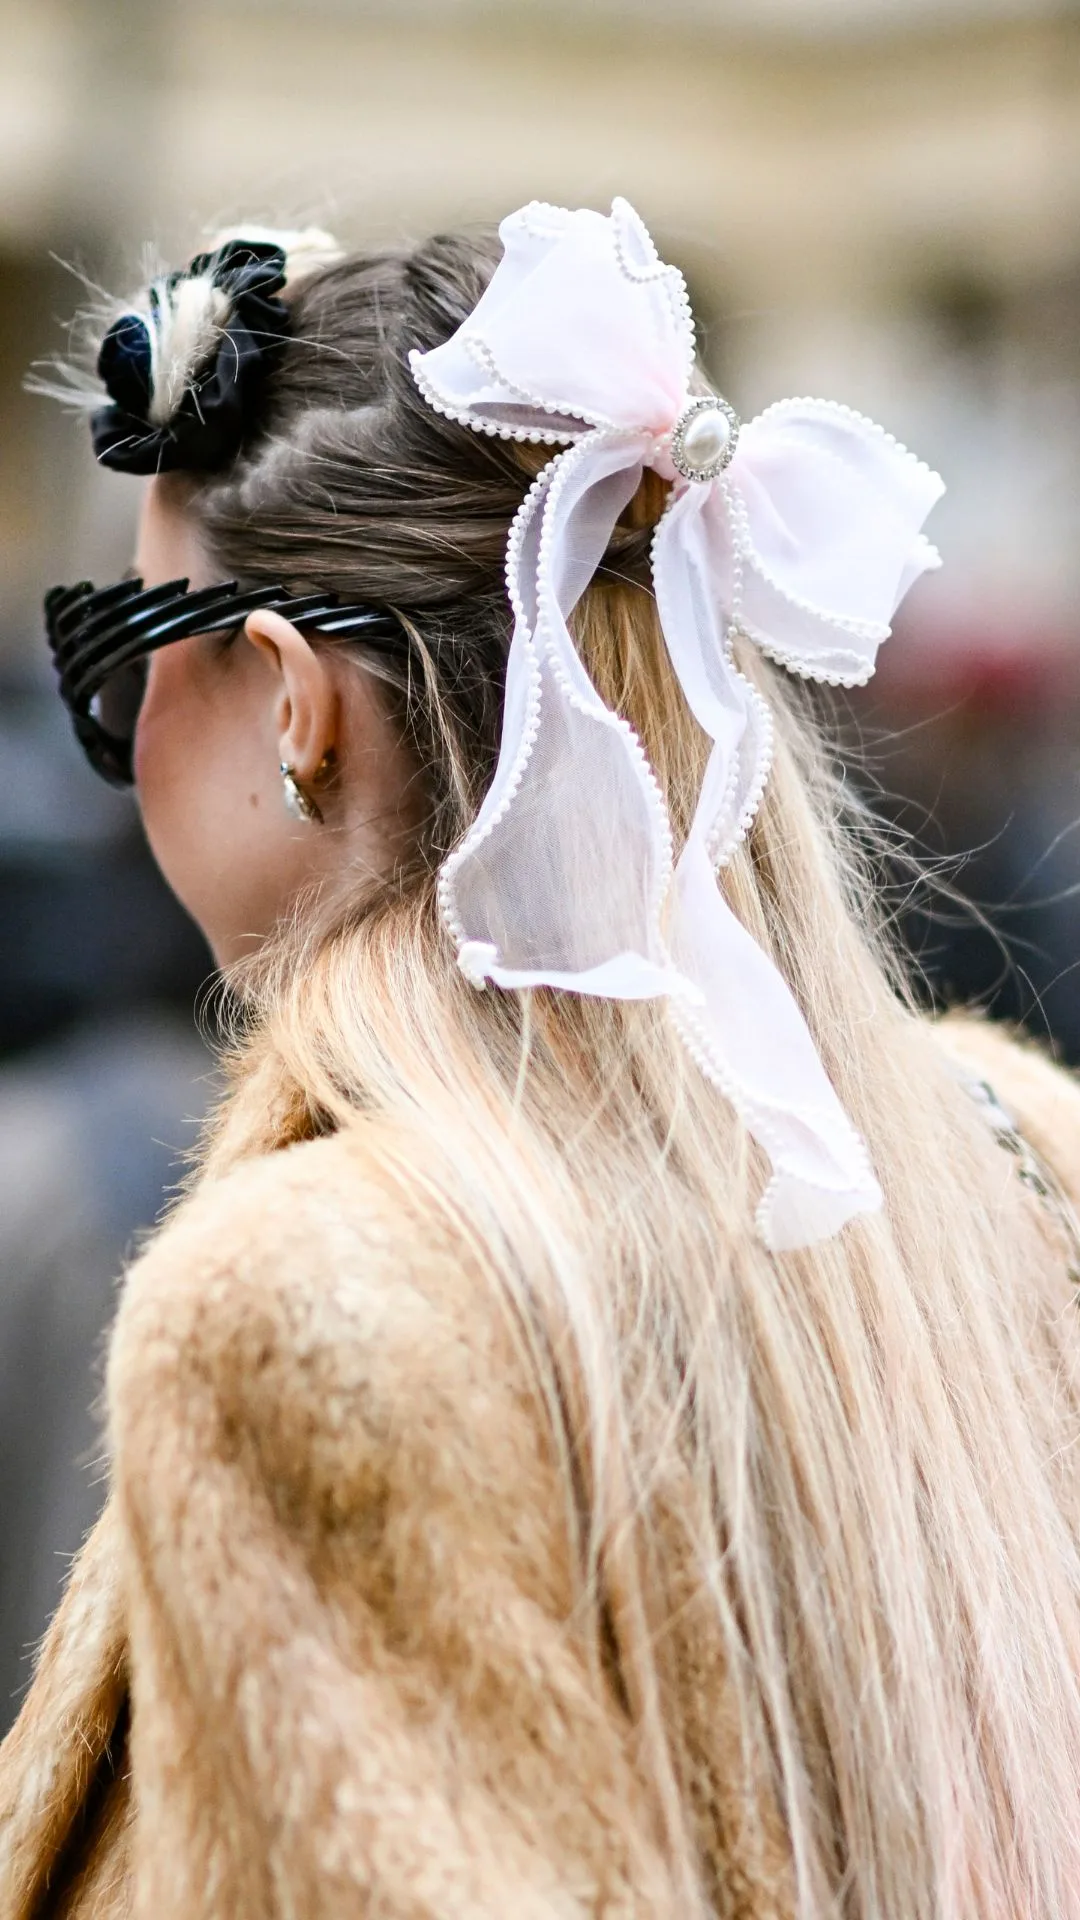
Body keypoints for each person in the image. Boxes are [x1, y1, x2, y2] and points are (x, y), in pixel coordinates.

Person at [2, 200, 1080, 1920]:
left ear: (293, 701)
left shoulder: (306, 1308)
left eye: (119, 659)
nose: (118, 753)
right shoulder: (1020, 1153)